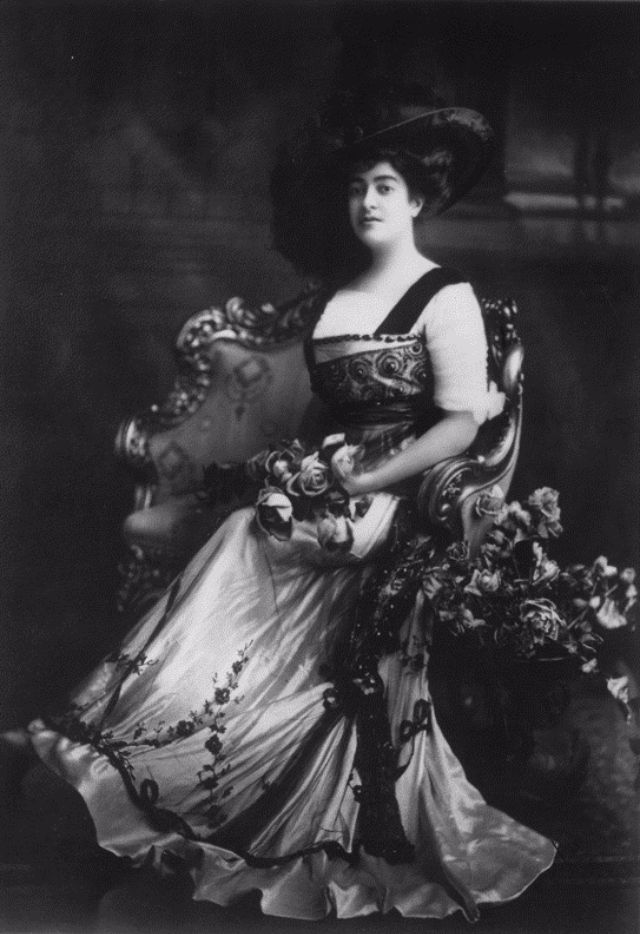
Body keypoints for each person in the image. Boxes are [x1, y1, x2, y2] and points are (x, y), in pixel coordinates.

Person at [1, 84, 556, 922]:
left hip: (399, 499)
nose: (367, 202)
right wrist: (297, 473)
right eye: (356, 187)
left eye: (385, 187)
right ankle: (147, 746)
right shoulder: (340, 297)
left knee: (248, 544)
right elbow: (324, 413)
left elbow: (457, 427)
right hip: (330, 482)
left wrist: (365, 480)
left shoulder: (445, 297)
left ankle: (235, 767)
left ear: (417, 201)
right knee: (240, 535)